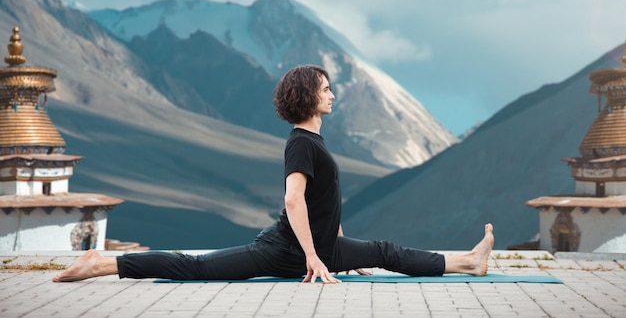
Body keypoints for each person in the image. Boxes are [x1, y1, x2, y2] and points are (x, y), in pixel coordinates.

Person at [53, 64, 494, 284]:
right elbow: (293, 200)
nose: (333, 95)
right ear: (309, 97)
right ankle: (101, 264)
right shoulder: (302, 142)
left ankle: (468, 261)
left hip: (319, 246)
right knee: (194, 267)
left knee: (382, 251)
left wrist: (336, 243)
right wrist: (315, 258)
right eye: (326, 89)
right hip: (284, 251)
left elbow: (324, 198)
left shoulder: (314, 141)